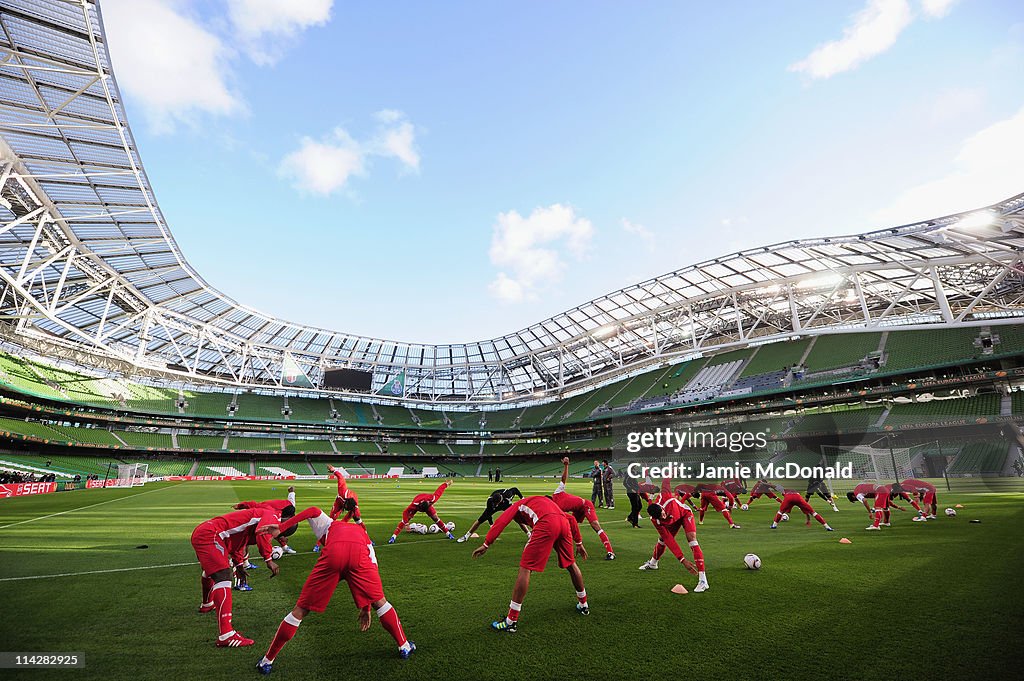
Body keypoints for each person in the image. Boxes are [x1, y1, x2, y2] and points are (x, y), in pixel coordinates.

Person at [254, 507, 414, 674]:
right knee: (380, 602)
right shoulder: (362, 533)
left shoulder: (330, 525)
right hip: (360, 554)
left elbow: (313, 510)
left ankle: (267, 661)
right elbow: (372, 565)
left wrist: (283, 526)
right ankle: (404, 646)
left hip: (333, 554)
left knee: (301, 609)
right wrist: (366, 607)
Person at [472, 495, 589, 632]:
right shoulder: (547, 504)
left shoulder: (517, 505)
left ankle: (511, 620)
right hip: (563, 524)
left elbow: (501, 521)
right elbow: (571, 519)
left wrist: (486, 544)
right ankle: (584, 604)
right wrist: (579, 543)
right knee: (571, 564)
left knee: (525, 568)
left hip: (546, 524)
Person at [190, 508, 281, 648]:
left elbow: (237, 546)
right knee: (223, 576)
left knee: (211, 571)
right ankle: (226, 635)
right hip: (211, 534)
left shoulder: (252, 522)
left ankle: (207, 604)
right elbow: (262, 533)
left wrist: (239, 565)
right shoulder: (271, 515)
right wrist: (268, 559)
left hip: (205, 531)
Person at [637, 478, 709, 593]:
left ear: (661, 508)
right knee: (662, 540)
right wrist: (682, 559)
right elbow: (669, 540)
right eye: (660, 518)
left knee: (692, 540)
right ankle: (653, 563)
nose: (663, 517)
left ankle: (703, 580)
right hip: (672, 522)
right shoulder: (656, 521)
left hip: (684, 514)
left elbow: (666, 481)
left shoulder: (665, 496)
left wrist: (671, 471)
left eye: (663, 514)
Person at [554, 458, 615, 559]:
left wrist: (566, 465)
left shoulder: (557, 494)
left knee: (595, 526)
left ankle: (610, 552)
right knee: (568, 528)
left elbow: (563, 479)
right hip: (577, 510)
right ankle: (572, 548)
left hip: (585, 505)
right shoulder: (554, 509)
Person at [233, 486, 299, 555]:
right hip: (251, 517)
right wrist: (240, 505)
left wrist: (291, 491)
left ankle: (284, 547)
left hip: (279, 513)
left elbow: (291, 496)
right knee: (247, 537)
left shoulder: (291, 506)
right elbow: (254, 504)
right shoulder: (268, 509)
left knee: (276, 528)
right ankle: (241, 561)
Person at [388, 480, 456, 543]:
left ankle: (448, 534)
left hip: (425, 502)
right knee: (406, 520)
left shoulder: (432, 499)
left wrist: (446, 484)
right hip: (417, 501)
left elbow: (439, 490)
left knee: (435, 517)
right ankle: (393, 537)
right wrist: (406, 523)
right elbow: (405, 512)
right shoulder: (414, 505)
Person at [457, 487, 527, 542]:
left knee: (518, 519)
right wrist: (491, 525)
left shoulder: (508, 494)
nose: (496, 505)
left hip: (506, 505)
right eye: (495, 503)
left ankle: (529, 534)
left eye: (497, 503)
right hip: (498, 505)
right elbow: (488, 514)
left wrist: (522, 498)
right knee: (480, 520)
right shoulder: (490, 501)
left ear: (500, 501)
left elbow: (515, 489)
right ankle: (466, 536)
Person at [770, 489, 834, 531]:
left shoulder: (784, 490)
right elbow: (806, 511)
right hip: (798, 497)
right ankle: (827, 527)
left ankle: (774, 525)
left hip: (788, 498)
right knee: (813, 512)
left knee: (780, 512)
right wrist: (808, 520)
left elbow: (775, 487)